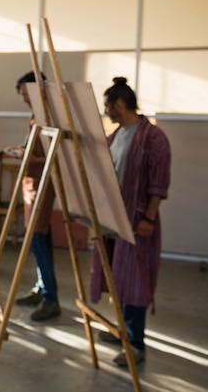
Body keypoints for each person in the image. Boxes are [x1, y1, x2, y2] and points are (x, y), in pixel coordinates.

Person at [91, 77, 171, 367]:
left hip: (138, 221)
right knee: (118, 279)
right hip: (114, 220)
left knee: (136, 281)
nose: (106, 112)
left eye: (108, 106)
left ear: (119, 105)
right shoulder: (114, 136)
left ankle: (136, 344)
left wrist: (149, 216)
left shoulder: (153, 138)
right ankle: (122, 330)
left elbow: (159, 182)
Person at [0, 71, 60, 321]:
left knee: (37, 238)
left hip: (43, 182)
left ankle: (51, 299)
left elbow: (52, 156)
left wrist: (21, 156)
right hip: (31, 181)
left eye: (26, 94)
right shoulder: (36, 114)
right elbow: (27, 148)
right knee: (39, 237)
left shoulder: (50, 114)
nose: (24, 99)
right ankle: (42, 288)